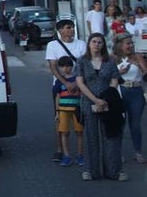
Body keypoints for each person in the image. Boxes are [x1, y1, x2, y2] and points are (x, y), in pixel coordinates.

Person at [75, 33, 127, 182]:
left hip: (107, 101)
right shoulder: (82, 61)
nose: (96, 45)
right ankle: (90, 170)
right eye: (94, 42)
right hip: (89, 101)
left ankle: (113, 171)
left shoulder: (109, 61)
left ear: (103, 45)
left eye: (99, 42)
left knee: (110, 135)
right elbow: (80, 82)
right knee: (90, 135)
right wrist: (95, 100)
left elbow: (114, 80)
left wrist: (105, 99)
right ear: (89, 44)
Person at [45, 19, 86, 162]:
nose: (72, 30)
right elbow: (53, 66)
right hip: (60, 85)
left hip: (79, 84)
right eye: (68, 27)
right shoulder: (52, 45)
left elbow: (84, 64)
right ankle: (60, 150)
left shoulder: (81, 44)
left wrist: (76, 82)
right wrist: (65, 83)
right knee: (60, 118)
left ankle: (81, 153)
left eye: (72, 27)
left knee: (79, 117)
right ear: (60, 30)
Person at [113, 33, 146, 165]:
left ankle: (138, 152)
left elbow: (146, 74)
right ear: (120, 45)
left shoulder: (137, 56)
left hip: (136, 91)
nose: (131, 46)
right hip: (120, 91)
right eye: (128, 43)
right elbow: (106, 76)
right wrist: (119, 73)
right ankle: (117, 153)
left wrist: (139, 66)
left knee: (135, 125)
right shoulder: (112, 58)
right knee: (120, 124)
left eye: (132, 43)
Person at [51, 56, 85, 167]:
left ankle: (80, 155)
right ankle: (66, 156)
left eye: (68, 66)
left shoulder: (78, 79)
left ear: (72, 66)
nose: (65, 69)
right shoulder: (59, 81)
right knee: (64, 132)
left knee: (79, 132)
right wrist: (57, 112)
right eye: (62, 66)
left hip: (77, 109)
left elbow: (83, 93)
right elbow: (57, 96)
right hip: (63, 110)